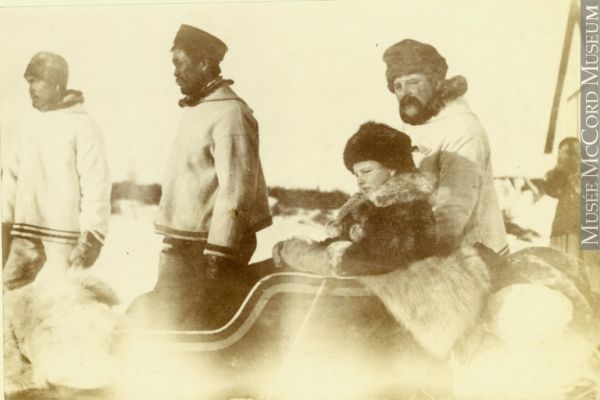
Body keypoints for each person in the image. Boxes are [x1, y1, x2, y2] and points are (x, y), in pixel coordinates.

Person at [126, 25, 272, 329]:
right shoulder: (200, 108)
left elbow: (236, 190)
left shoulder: (229, 113)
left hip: (209, 247)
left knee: (176, 324)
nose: (175, 73)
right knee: (161, 319)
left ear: (204, 63)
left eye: (180, 63)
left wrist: (219, 254)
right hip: (183, 242)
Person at [382, 39, 508, 256]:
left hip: (473, 254)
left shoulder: (461, 129)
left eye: (413, 81)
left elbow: (454, 210)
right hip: (426, 244)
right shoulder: (415, 122)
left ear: (436, 82)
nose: (405, 92)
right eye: (398, 86)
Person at [1, 51, 111, 291]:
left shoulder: (84, 127)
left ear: (57, 83)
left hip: (64, 244)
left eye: (37, 80)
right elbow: (10, 180)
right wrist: (4, 226)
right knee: (9, 306)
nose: (31, 88)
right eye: (28, 81)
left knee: (59, 310)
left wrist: (92, 236)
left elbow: (97, 185)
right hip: (23, 239)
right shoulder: (26, 128)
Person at [274, 121, 437, 276]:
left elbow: (382, 261)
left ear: (392, 167)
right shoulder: (367, 206)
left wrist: (314, 258)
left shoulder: (409, 207)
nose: (360, 180)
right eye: (356, 174)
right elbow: (341, 242)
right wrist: (301, 249)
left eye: (366, 171)